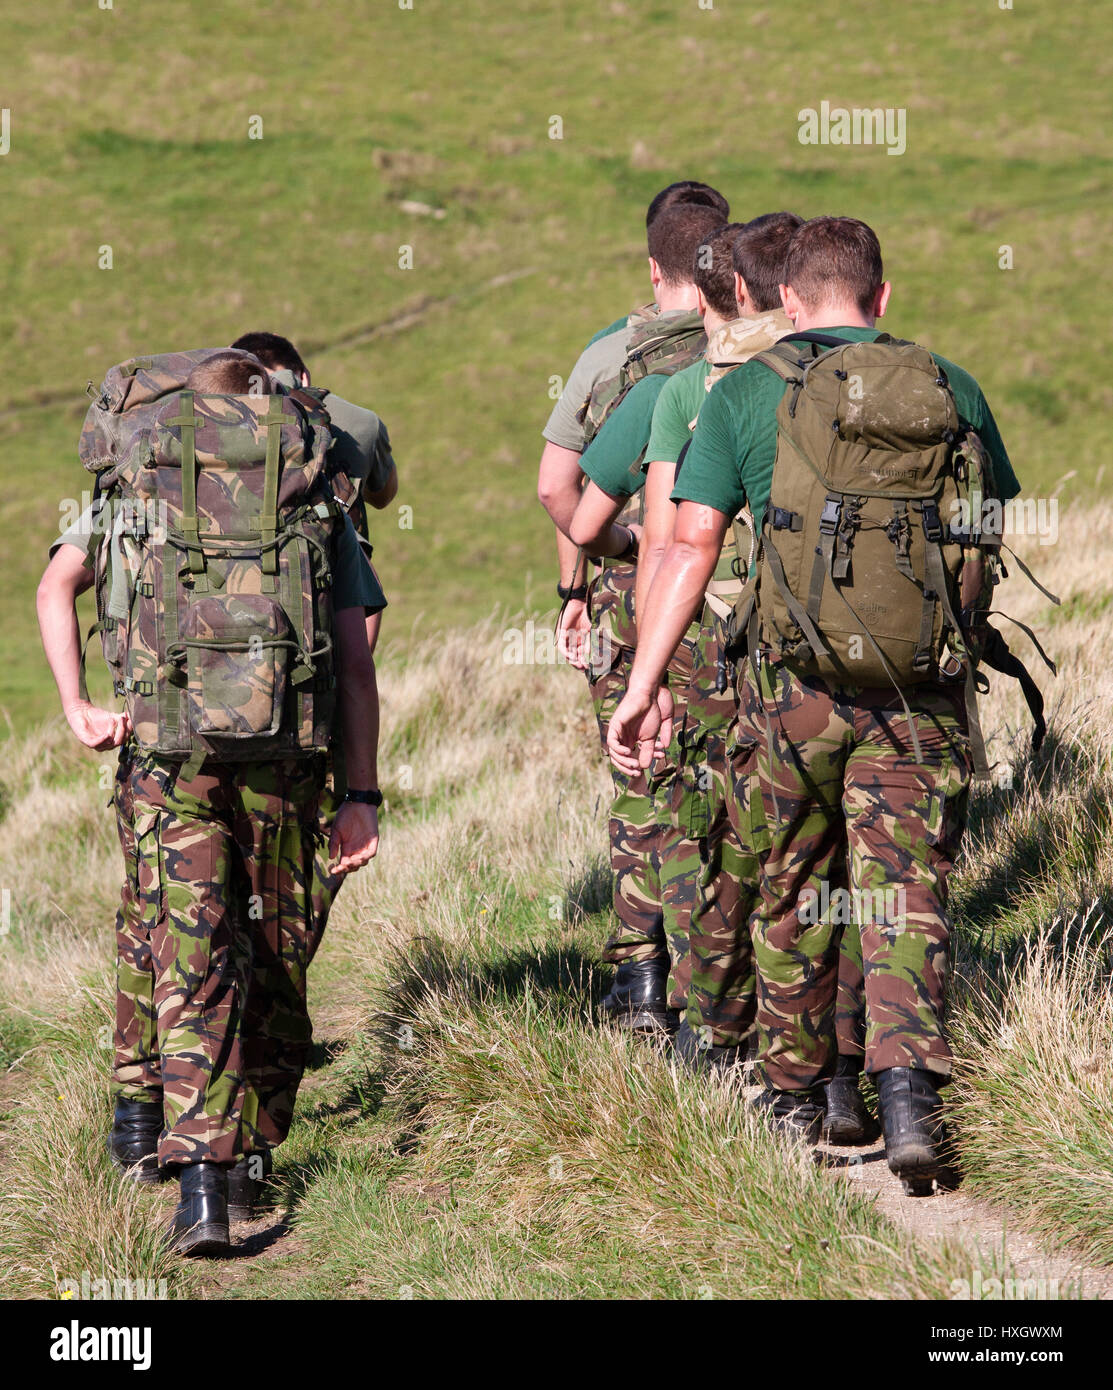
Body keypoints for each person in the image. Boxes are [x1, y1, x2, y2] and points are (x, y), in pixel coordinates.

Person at [608, 216, 1021, 1183]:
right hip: (916, 694)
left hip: (792, 693)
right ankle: (910, 1100)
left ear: (785, 302)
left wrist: (643, 683)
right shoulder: (947, 384)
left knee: (792, 887)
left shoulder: (751, 388)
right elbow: (986, 526)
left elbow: (688, 541)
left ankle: (798, 1099)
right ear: (881, 298)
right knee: (903, 889)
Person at [37, 350, 384, 1253]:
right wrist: (363, 792)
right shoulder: (311, 486)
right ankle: (249, 1148)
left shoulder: (134, 484)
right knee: (271, 942)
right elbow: (354, 662)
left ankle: (200, 1186)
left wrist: (78, 706)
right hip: (288, 761)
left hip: (164, 757)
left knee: (190, 949)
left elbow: (52, 589)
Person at [543, 199, 725, 1030]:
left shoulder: (611, 353)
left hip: (632, 587)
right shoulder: (750, 344)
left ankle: (642, 971)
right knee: (717, 767)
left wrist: (578, 585)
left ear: (654, 267)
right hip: (734, 589)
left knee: (638, 765)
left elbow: (557, 491)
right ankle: (718, 963)